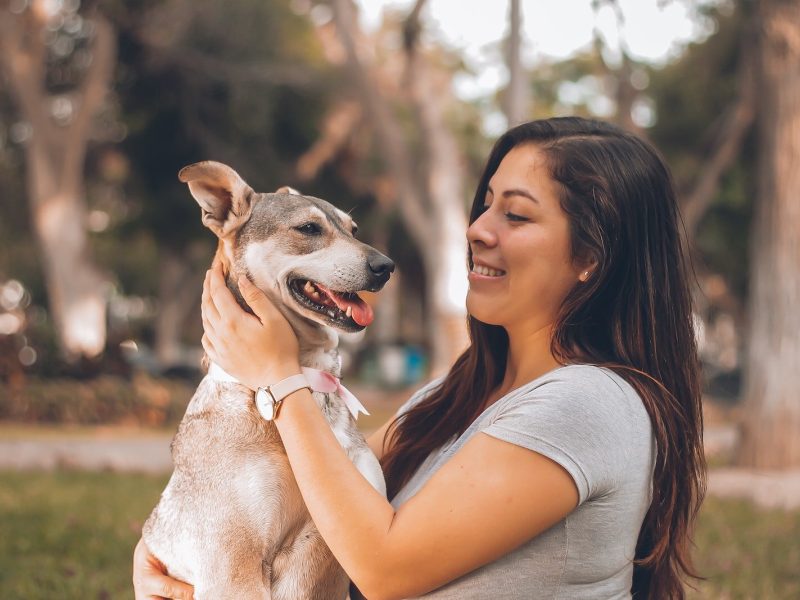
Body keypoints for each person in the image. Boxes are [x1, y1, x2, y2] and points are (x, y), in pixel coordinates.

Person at [133, 117, 705, 599]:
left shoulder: (589, 404)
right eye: (484, 207)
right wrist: (162, 552)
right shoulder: (450, 396)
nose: (478, 230)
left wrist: (280, 377)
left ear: (592, 258)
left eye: (517, 214)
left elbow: (383, 567)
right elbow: (309, 490)